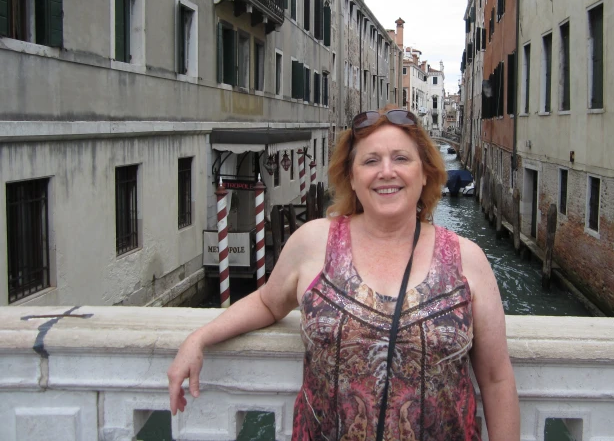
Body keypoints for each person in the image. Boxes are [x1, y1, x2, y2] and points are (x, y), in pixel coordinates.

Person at [168, 107, 520, 440]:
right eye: (370, 161)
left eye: (401, 158)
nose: (386, 171)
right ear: (351, 177)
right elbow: (267, 303)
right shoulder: (312, 242)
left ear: (425, 172)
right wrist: (199, 338)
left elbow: (495, 378)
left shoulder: (466, 259)